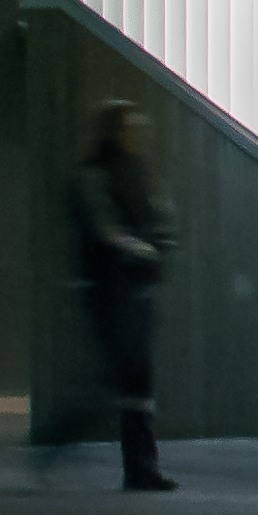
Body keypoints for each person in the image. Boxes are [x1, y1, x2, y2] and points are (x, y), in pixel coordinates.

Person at [70, 101, 177, 493]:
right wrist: (149, 250)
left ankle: (141, 468)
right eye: (128, 128)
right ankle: (71, 441)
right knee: (124, 379)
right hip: (114, 290)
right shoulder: (97, 175)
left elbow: (161, 218)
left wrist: (156, 247)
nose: (134, 136)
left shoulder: (136, 172)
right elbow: (106, 229)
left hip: (135, 288)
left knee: (134, 380)